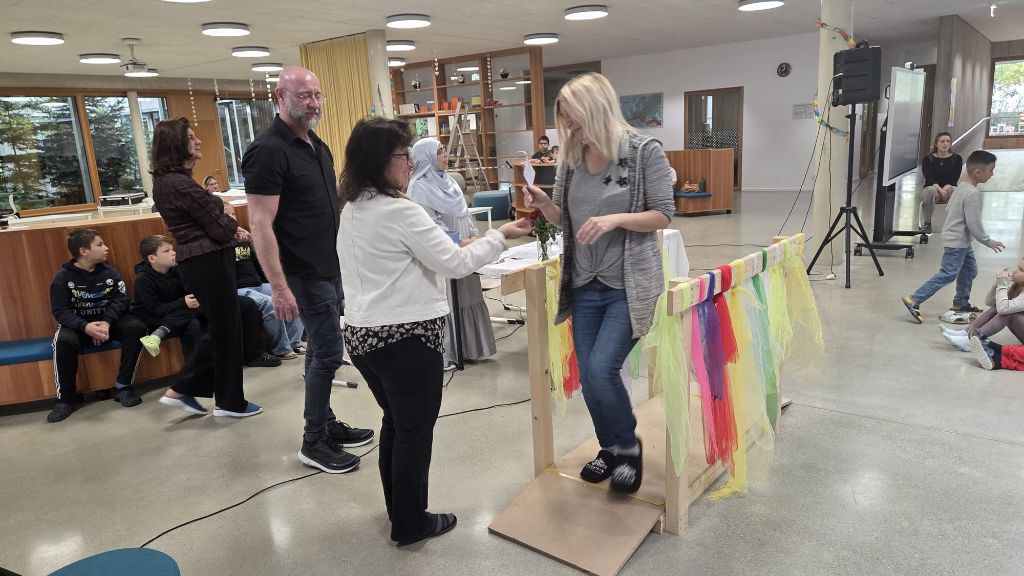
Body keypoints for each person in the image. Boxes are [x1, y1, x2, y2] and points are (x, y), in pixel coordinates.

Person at [338, 117, 532, 545]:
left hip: (363, 337)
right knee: (413, 430)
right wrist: (500, 236)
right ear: (378, 161)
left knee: (397, 423)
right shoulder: (401, 210)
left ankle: (400, 510)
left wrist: (464, 244)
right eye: (402, 156)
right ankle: (411, 523)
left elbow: (418, 255)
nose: (410, 164)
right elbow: (456, 265)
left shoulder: (353, 208)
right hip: (404, 338)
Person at [523, 72, 674, 494]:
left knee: (602, 368)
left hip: (628, 285)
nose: (570, 128)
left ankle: (628, 447)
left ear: (598, 108)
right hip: (584, 284)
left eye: (575, 118)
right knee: (589, 377)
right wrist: (546, 204)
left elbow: (663, 214)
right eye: (565, 121)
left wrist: (615, 219)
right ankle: (610, 448)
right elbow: (566, 222)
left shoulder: (644, 152)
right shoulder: (572, 160)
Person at [243, 66, 373, 474]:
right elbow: (260, 223)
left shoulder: (317, 144)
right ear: (280, 97)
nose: (313, 103)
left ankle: (326, 424)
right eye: (304, 96)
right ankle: (313, 441)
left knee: (318, 348)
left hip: (330, 265)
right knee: (330, 351)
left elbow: (329, 201)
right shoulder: (268, 151)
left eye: (317, 95)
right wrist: (279, 287)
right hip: (301, 272)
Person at [151, 116, 262, 418]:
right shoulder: (179, 184)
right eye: (190, 138)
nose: (198, 141)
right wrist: (226, 218)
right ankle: (215, 398)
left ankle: (204, 394)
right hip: (207, 260)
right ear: (175, 145)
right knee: (226, 328)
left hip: (203, 259)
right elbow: (220, 228)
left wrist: (224, 220)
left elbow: (215, 224)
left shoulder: (170, 182)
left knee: (224, 328)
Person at [406, 137, 497, 365]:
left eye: (444, 150)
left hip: (465, 250)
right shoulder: (418, 188)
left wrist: (473, 235)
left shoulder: (450, 182)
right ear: (427, 157)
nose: (445, 155)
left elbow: (464, 213)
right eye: (439, 151)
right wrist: (459, 242)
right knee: (450, 299)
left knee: (468, 295)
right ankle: (451, 352)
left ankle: (471, 349)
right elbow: (429, 225)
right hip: (444, 254)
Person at [47, 229, 148, 422]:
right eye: (100, 245)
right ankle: (65, 399)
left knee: (137, 327)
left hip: (108, 322)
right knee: (63, 341)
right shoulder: (63, 277)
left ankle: (123, 386)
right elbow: (60, 311)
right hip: (78, 326)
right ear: (84, 251)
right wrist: (86, 327)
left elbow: (121, 300)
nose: (106, 248)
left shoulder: (111, 272)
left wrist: (107, 323)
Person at [902, 150, 1005, 324]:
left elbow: (951, 210)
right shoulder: (972, 194)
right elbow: (974, 224)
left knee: (970, 270)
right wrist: (988, 241)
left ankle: (961, 303)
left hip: (961, 240)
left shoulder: (961, 188)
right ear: (978, 172)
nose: (992, 174)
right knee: (948, 273)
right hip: (957, 242)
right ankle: (914, 299)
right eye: (991, 170)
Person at [133, 235, 203, 360]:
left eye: (172, 249)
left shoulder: (177, 269)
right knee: (192, 322)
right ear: (152, 258)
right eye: (167, 251)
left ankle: (157, 335)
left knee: (204, 311)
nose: (173, 253)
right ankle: (194, 369)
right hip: (152, 317)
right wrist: (183, 302)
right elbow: (155, 310)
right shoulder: (142, 279)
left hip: (177, 312)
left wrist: (192, 297)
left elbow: (190, 292)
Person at [234, 239, 306, 359]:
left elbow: (257, 265)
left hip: (258, 284)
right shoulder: (221, 245)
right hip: (239, 288)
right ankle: (281, 349)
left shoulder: (242, 242)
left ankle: (293, 343)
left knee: (294, 296)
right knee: (269, 303)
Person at [942, 259, 1024, 351]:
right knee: (998, 306)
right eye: (1017, 267)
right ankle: (967, 333)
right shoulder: (1019, 286)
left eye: (1021, 270)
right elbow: (989, 302)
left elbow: (1003, 309)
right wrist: (997, 283)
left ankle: (970, 341)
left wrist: (1002, 285)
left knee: (1009, 314)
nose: (1015, 271)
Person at [919, 132, 963, 234]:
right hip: (932, 189)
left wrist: (944, 190)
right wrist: (940, 191)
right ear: (936, 144)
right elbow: (929, 179)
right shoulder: (927, 159)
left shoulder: (957, 159)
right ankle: (927, 223)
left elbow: (954, 179)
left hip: (949, 189)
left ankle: (954, 223)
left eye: (948, 141)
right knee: (930, 190)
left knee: (954, 190)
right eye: (942, 141)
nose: (945, 144)